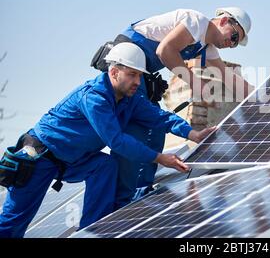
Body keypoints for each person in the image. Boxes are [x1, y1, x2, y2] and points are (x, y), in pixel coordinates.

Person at [0, 42, 214, 238]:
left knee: (105, 165)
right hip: (40, 158)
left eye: (140, 76)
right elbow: (117, 141)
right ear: (114, 72)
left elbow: (160, 116)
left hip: (73, 161)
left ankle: (91, 232)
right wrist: (159, 158)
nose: (137, 82)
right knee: (14, 222)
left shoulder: (130, 100)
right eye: (132, 75)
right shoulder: (94, 98)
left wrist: (191, 133)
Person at [92, 7, 254, 208]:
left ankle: (141, 191)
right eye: (234, 36)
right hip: (127, 63)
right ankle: (124, 198)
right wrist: (194, 81)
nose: (231, 44)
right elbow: (165, 51)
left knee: (156, 130)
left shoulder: (206, 48)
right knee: (138, 130)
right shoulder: (196, 22)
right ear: (224, 21)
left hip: (142, 71)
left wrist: (265, 96)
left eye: (236, 43)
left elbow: (230, 79)